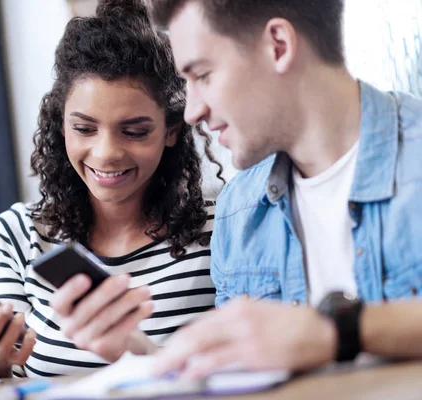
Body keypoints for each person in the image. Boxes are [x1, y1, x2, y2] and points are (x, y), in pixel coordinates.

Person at [0, 0, 223, 379]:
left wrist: (140, 353)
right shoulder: (19, 235)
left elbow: (242, 374)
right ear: (61, 126)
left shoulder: (222, 229)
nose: (106, 153)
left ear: (171, 130)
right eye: (84, 129)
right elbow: (3, 376)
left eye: (135, 131)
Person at [147, 0, 422, 378]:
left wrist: (336, 332)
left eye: (203, 75)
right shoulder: (237, 211)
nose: (191, 111)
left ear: (278, 45)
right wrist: (136, 351)